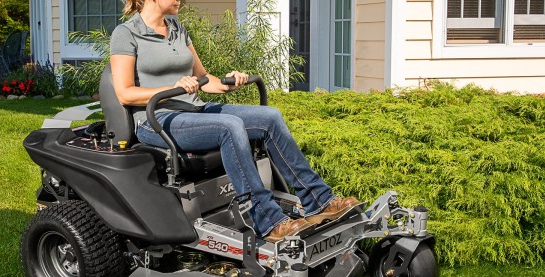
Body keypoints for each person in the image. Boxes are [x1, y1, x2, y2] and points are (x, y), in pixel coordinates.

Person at [110, 0, 359, 242]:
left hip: (195, 109)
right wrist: (172, 87)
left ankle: (319, 200)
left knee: (270, 117)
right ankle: (267, 219)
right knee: (229, 126)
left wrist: (230, 81)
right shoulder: (126, 34)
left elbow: (204, 78)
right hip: (157, 119)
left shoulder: (178, 29)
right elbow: (125, 93)